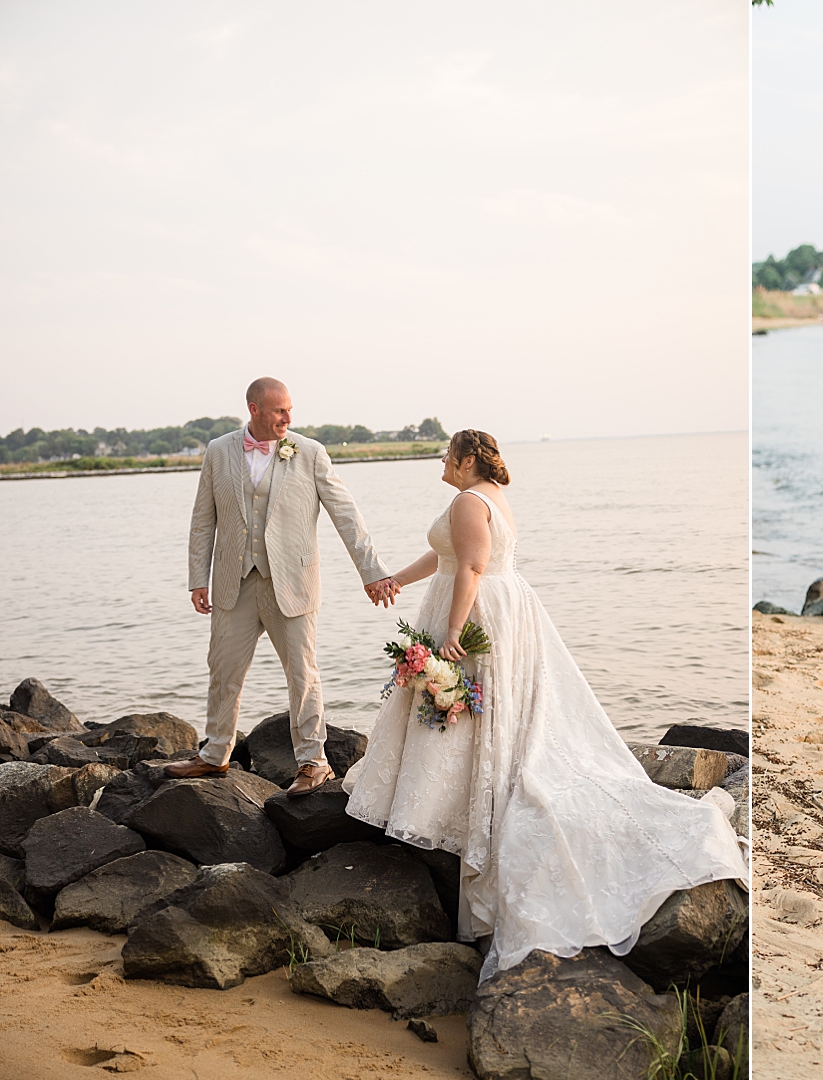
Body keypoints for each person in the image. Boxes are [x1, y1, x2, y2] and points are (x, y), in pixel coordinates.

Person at [344, 429, 745, 978]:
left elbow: (471, 568)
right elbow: (446, 558)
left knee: (463, 711)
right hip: (503, 608)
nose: (440, 461)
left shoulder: (466, 499)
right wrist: (395, 578)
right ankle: (456, 805)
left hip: (478, 610)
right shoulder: (485, 497)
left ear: (464, 461)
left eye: (445, 454)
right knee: (474, 716)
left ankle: (461, 814)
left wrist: (453, 630)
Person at [171, 377, 397, 795]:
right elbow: (203, 520)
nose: (288, 418)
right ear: (254, 409)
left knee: (303, 674)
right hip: (232, 583)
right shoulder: (219, 451)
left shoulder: (309, 452)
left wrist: (373, 571)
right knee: (223, 670)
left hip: (292, 582)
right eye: (279, 411)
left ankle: (314, 762)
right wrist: (196, 579)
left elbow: (345, 514)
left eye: (290, 410)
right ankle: (216, 753)